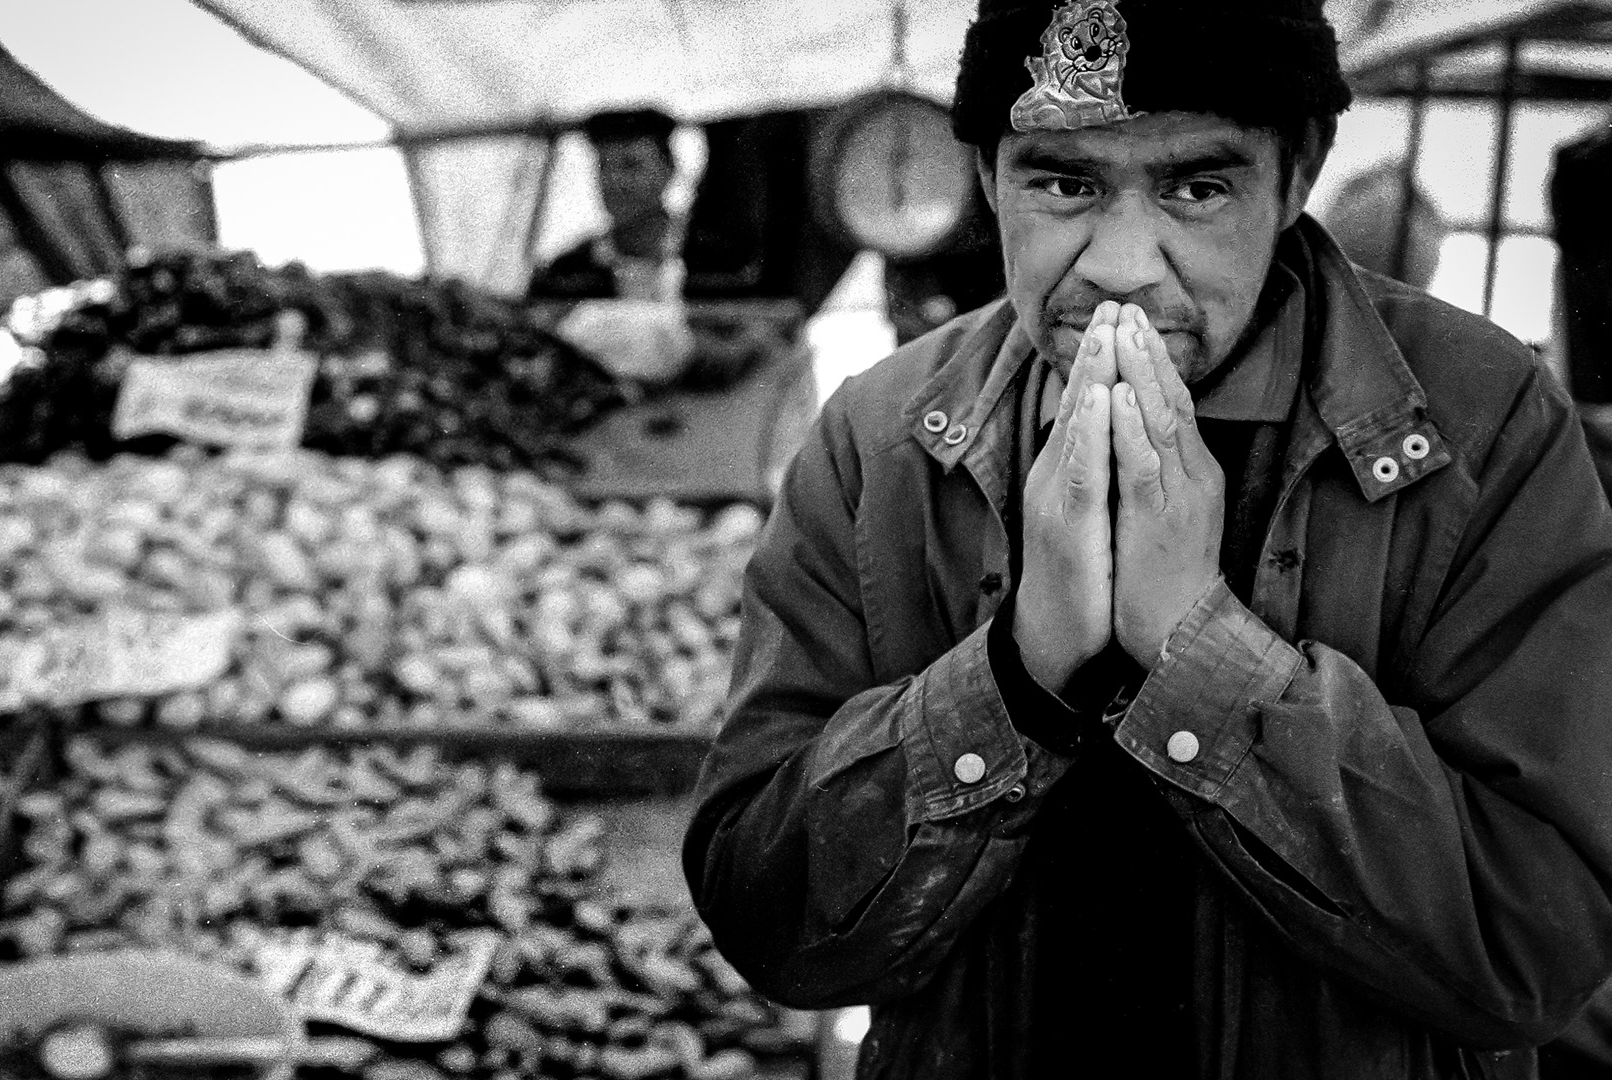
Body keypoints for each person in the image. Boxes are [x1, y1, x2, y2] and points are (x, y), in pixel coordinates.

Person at [683, 1, 1612, 1078]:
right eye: (1065, 184)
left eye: (1198, 188)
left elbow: (1536, 946)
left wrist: (1202, 651)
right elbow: (768, 918)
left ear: (1298, 172)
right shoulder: (877, 442)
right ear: (988, 178)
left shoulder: (1481, 426)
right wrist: (1015, 677)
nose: (1122, 265)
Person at [529, 108, 685, 302]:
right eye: (603, 166)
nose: (612, 181)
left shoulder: (705, 256)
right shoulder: (568, 269)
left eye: (631, 165)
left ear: (669, 170)